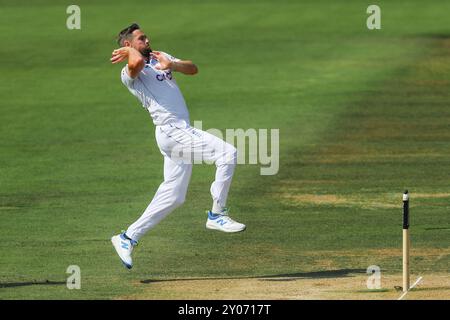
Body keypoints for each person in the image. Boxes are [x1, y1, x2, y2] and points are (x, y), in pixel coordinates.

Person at [110, 23, 246, 269]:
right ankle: (217, 214)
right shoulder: (129, 74)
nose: (148, 39)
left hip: (176, 133)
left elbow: (193, 68)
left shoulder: (159, 56)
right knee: (228, 153)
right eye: (141, 38)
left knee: (174, 196)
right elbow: (135, 65)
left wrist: (172, 64)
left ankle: (128, 237)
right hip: (173, 131)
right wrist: (132, 54)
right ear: (129, 45)